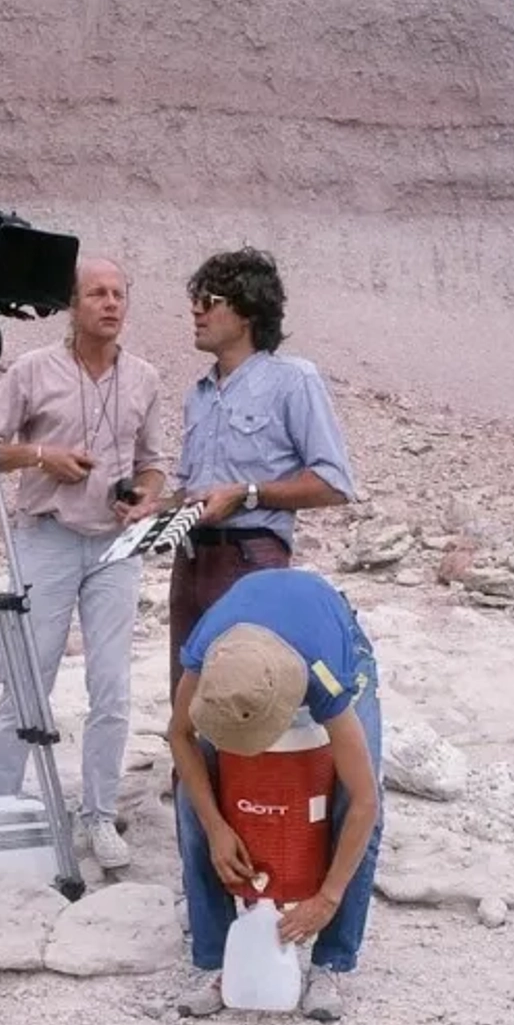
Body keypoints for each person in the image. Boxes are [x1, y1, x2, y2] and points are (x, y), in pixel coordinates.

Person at [0, 256, 167, 870]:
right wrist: (44, 455)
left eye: (119, 293)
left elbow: (154, 462)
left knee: (113, 684)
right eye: (97, 293)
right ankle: (3, 807)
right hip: (48, 539)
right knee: (26, 678)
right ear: (73, 305)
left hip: (115, 548)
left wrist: (147, 495)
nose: (111, 303)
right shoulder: (33, 370)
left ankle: (97, 814)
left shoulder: (144, 377)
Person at [168, 569, 382, 1023]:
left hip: (332, 644)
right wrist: (216, 826)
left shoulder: (325, 675)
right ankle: (216, 961)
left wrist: (327, 896)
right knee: (192, 801)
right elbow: (180, 735)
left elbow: (365, 800)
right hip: (246, 652)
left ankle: (331, 963)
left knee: (351, 801)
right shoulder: (209, 653)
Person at [167, 248, 355, 696]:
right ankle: (189, 771)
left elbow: (334, 483)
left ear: (247, 312)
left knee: (243, 694)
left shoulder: (294, 380)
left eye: (210, 300)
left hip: (251, 560)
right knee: (189, 697)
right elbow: (194, 488)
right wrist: (154, 507)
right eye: (196, 299)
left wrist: (247, 494)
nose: (196, 310)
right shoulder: (198, 393)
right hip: (189, 560)